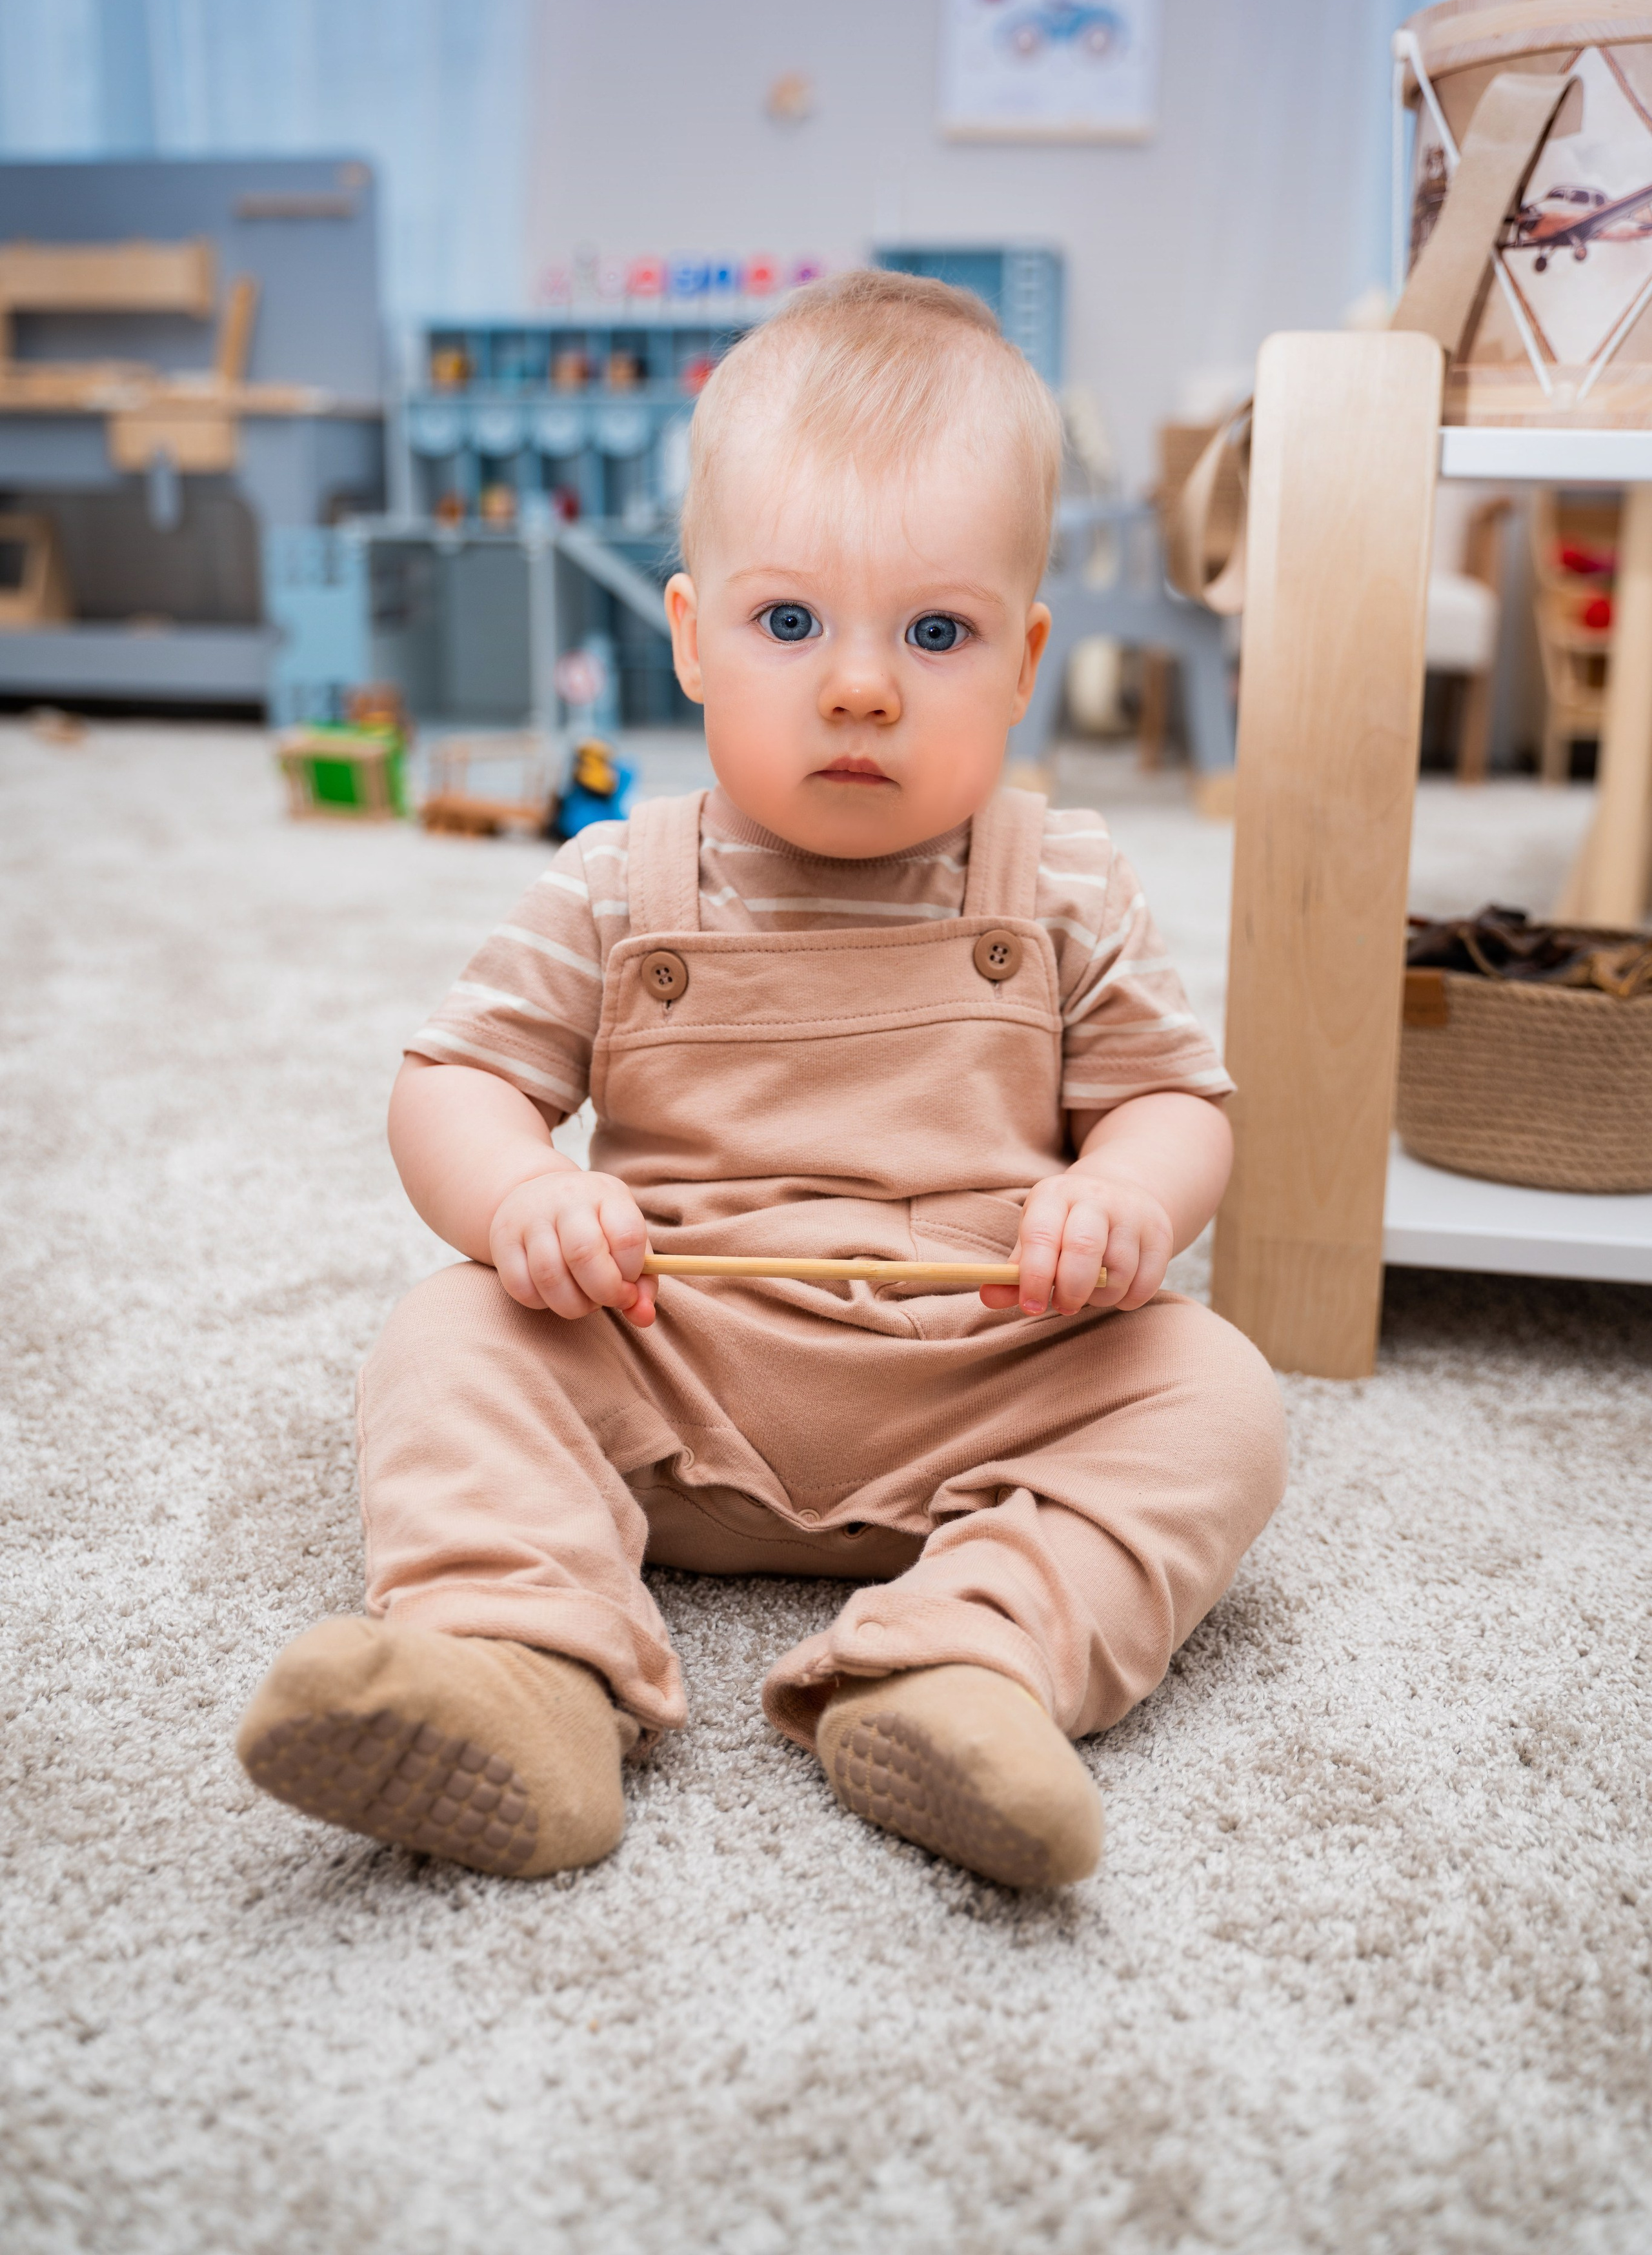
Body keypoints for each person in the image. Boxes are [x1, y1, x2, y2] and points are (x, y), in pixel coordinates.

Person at [237, 272, 1285, 1890]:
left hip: (979, 1368)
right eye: (789, 623)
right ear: (691, 640)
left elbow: (1174, 1101)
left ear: (1020, 662)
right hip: (672, 1360)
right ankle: (520, 1666)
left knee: (1212, 1391)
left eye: (933, 633)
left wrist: (1119, 1192)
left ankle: (964, 1660)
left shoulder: (1063, 882)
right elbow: (452, 1083)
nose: (858, 685)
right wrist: (524, 1195)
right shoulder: (613, 882)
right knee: (446, 1331)